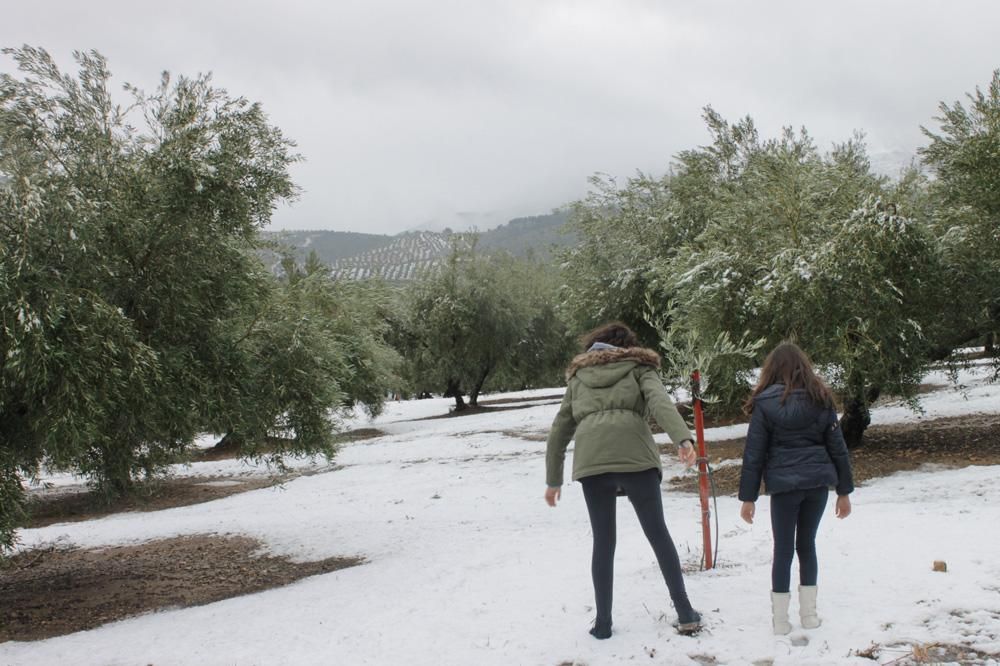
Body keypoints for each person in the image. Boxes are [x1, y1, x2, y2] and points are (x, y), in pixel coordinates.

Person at [544, 321, 702, 639]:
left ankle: (603, 623)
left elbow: (561, 426)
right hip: (635, 455)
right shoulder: (639, 366)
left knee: (604, 542)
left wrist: (553, 479)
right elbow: (659, 401)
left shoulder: (578, 376)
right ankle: (685, 612)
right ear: (627, 345)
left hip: (592, 461)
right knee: (657, 533)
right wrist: (683, 440)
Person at [737, 342, 854, 635]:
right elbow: (837, 448)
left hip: (784, 488)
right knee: (807, 546)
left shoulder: (765, 404)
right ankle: (809, 616)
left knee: (783, 550)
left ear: (771, 370)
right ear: (804, 366)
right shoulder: (822, 399)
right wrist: (843, 491)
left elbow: (754, 453)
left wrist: (748, 498)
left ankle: (780, 621)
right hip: (817, 485)